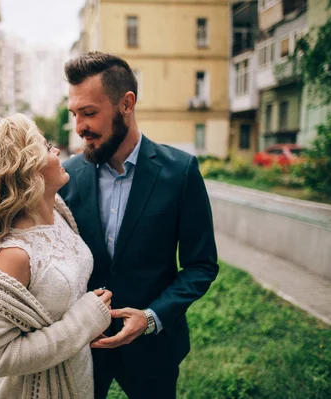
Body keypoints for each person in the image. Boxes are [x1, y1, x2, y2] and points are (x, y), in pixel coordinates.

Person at [59, 52, 219, 398]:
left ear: (126, 104)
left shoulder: (181, 172)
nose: (79, 127)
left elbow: (201, 265)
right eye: (75, 114)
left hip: (155, 350)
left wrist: (150, 317)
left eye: (89, 113)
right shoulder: (68, 175)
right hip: (83, 348)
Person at [0, 113, 112, 398]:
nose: (57, 151)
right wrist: (85, 322)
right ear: (26, 173)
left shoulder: (58, 212)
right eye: (46, 148)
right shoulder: (15, 255)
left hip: (76, 378)